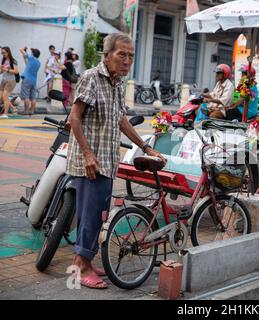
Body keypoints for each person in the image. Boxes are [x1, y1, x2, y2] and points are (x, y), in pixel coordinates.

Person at [66, 33, 166, 289]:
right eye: (122, 54)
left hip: (108, 162)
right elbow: (74, 118)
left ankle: (84, 260)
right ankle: (81, 267)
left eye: (131, 56)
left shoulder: (119, 82)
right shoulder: (91, 77)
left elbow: (120, 119)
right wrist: (88, 155)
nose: (127, 60)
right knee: (90, 216)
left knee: (98, 215)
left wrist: (145, 146)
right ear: (107, 55)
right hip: (90, 163)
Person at [19, 47, 41, 116]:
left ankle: (26, 111)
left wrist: (24, 48)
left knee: (26, 96)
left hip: (27, 80)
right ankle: (32, 111)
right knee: (33, 97)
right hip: (34, 81)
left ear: (33, 54)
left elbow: (21, 50)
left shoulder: (31, 58)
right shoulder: (38, 62)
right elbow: (27, 64)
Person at [0, 47, 19, 119]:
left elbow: (16, 71)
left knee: (5, 96)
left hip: (11, 81)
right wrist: (1, 69)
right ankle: (13, 108)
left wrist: (7, 70)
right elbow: (1, 72)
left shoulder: (13, 61)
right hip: (3, 81)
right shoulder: (3, 60)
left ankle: (5, 114)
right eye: (2, 53)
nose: (3, 54)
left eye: (4, 53)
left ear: (8, 52)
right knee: (1, 97)